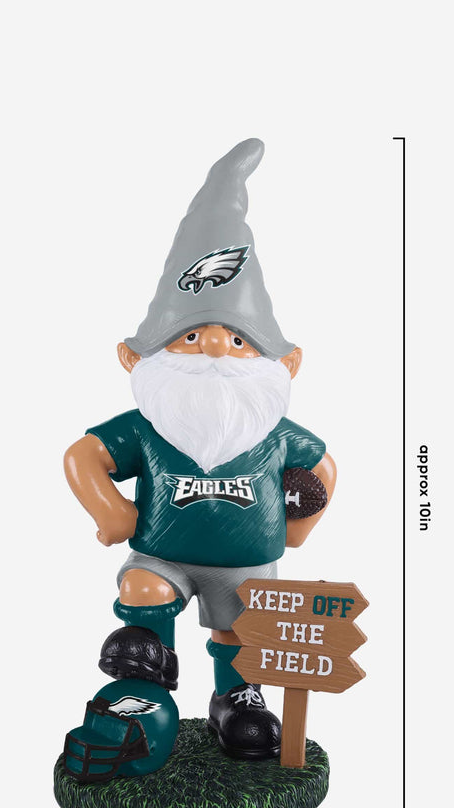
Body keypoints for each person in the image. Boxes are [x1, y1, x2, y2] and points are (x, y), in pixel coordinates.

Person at [65, 140, 335, 762]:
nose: (214, 347)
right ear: (137, 358)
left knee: (242, 626)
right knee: (144, 592)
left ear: (284, 363)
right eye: (189, 337)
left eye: (239, 341)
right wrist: (112, 512)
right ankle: (141, 692)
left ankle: (235, 699)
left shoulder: (275, 432)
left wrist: (299, 527)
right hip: (160, 555)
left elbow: (323, 468)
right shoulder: (149, 425)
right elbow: (84, 456)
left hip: (246, 567)